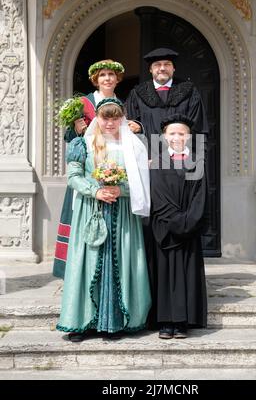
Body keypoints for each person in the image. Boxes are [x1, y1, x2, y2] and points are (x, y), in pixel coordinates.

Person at [56, 98, 151, 341]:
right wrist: (95, 190)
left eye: (115, 117)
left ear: (122, 119)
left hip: (123, 215)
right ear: (97, 118)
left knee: (122, 260)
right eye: (105, 117)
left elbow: (142, 183)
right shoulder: (82, 144)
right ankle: (82, 322)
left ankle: (116, 322)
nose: (109, 122)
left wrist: (122, 190)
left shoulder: (134, 146)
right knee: (86, 263)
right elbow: (74, 177)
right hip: (91, 211)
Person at [53, 59, 136, 278]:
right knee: (79, 216)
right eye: (102, 75)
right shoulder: (83, 103)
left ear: (117, 79)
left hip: (115, 170)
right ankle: (76, 271)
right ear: (95, 80)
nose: (107, 78)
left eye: (111, 75)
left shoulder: (123, 103)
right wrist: (76, 129)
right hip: (89, 171)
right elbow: (69, 138)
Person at [149, 113, 207, 339]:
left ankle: (183, 322)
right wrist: (175, 221)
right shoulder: (157, 163)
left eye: (182, 133)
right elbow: (157, 196)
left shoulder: (197, 163)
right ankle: (165, 322)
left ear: (189, 137)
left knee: (186, 275)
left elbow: (200, 198)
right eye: (172, 133)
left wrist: (187, 223)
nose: (177, 137)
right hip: (164, 229)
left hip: (188, 232)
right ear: (164, 137)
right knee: (164, 275)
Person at [125, 47, 208, 142]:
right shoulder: (137, 93)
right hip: (148, 153)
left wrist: (199, 156)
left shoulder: (189, 91)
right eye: (157, 65)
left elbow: (199, 128)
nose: (162, 68)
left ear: (174, 68)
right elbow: (130, 127)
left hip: (181, 153)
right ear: (150, 69)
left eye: (167, 64)